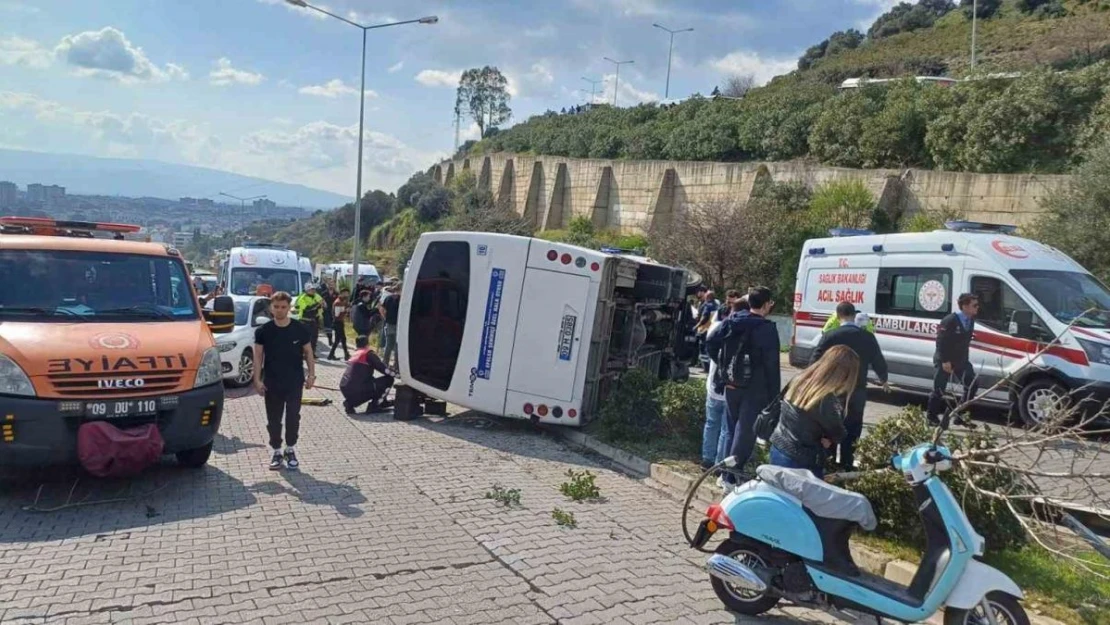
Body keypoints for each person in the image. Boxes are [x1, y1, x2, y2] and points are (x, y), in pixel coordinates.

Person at [706, 286, 781, 485]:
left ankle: (723, 473)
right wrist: (775, 398)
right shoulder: (767, 329)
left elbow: (711, 341)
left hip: (731, 384)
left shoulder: (733, 321)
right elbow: (772, 366)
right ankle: (731, 477)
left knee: (731, 429)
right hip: (754, 388)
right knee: (745, 432)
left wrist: (723, 367)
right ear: (766, 305)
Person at [811, 301, 890, 470]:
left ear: (838, 315)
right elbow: (878, 360)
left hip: (833, 390)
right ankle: (847, 462)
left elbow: (815, 360)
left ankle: (829, 462)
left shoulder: (830, 335)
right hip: (857, 389)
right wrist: (883, 379)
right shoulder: (867, 337)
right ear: (854, 315)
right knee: (853, 428)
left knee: (830, 425)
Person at [769, 345, 860, 478]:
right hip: (803, 461)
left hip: (778, 447)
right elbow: (838, 433)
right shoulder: (825, 399)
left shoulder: (799, 380)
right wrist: (829, 439)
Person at [253, 291, 315, 471]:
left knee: (293, 417)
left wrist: (311, 374)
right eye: (276, 307)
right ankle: (277, 451)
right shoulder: (263, 331)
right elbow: (258, 357)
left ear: (289, 308)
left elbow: (309, 352)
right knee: (273, 419)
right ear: (271, 308)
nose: (280, 310)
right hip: (272, 382)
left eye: (283, 307)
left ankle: (290, 449)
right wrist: (257, 380)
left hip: (295, 381)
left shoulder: (300, 328)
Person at [927, 293, 979, 425]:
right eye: (974, 305)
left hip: (961, 360)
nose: (977, 308)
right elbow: (940, 342)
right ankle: (931, 417)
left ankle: (959, 416)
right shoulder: (950, 320)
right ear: (965, 306)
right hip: (945, 360)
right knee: (939, 389)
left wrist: (965, 361)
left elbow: (965, 342)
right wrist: (944, 361)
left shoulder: (971, 320)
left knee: (972, 384)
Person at [701, 314, 730, 469]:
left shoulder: (715, 330)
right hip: (730, 391)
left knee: (711, 424)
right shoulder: (739, 334)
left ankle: (707, 459)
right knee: (725, 429)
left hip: (713, 387)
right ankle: (719, 464)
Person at [340, 336, 396, 414]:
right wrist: (396, 374)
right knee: (388, 380)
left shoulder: (355, 353)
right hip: (358, 388)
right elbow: (384, 369)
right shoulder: (368, 353)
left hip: (345, 387)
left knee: (371, 381)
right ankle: (375, 405)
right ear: (367, 343)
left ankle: (350, 403)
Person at [294, 283, 325, 356]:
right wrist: (318, 304)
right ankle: (301, 353)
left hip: (314, 320)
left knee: (314, 337)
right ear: (307, 290)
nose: (313, 290)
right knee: (304, 338)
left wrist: (321, 305)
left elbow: (322, 304)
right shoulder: (302, 298)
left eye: (314, 289)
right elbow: (308, 309)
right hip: (304, 320)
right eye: (311, 289)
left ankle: (312, 353)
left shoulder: (316, 296)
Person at [378, 285, 401, 371]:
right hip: (398, 325)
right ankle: (396, 366)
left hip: (389, 324)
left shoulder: (388, 298)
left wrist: (385, 318)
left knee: (388, 345)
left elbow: (381, 309)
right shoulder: (401, 299)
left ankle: (385, 363)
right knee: (396, 346)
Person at [328, 288, 352, 360]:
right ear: (342, 293)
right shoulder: (338, 302)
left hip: (340, 322)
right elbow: (337, 315)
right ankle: (345, 355)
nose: (347, 295)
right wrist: (345, 311)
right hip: (337, 323)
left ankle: (332, 355)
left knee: (339, 340)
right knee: (341, 339)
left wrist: (348, 306)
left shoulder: (343, 301)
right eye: (346, 293)